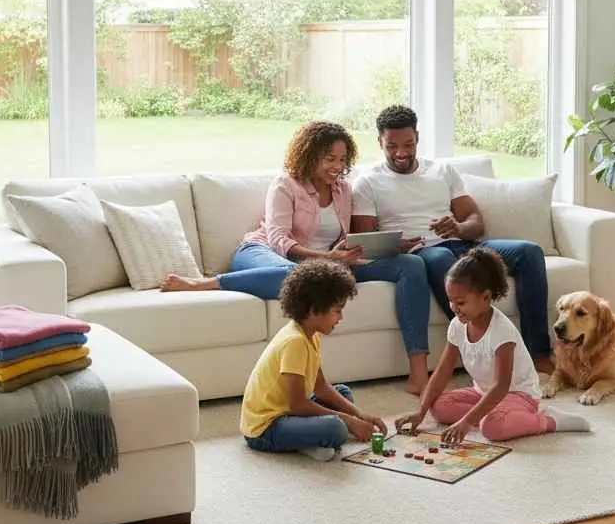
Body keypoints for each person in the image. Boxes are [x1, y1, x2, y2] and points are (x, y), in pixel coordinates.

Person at [162, 120, 432, 393]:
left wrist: (372, 248)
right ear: (310, 155)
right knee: (295, 277)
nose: (337, 166)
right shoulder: (285, 184)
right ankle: (203, 283)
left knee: (411, 264)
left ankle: (418, 372)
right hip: (264, 252)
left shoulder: (343, 189)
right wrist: (326, 259)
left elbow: (343, 236)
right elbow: (279, 240)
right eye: (330, 159)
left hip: (326, 264)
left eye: (342, 159)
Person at [351, 104, 554, 368]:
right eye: (392, 146)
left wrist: (458, 228)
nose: (401, 152)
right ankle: (482, 350)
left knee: (529, 252)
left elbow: (475, 222)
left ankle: (537, 353)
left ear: (417, 138)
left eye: (408, 144)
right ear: (380, 142)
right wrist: (398, 245)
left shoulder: (442, 172)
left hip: (463, 245)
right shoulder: (368, 182)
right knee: (440, 257)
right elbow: (366, 239)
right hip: (422, 252)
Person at [395, 248, 589, 443]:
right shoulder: (457, 326)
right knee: (439, 406)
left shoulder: (501, 331)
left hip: (517, 394)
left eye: (460, 302)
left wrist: (467, 421)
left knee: (491, 428)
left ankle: (549, 420)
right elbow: (443, 371)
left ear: (486, 297)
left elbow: (501, 386)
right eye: (450, 300)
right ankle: (493, 414)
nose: (454, 308)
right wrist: (420, 412)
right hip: (483, 392)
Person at [241, 259, 387, 461]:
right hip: (266, 427)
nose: (341, 317)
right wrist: (348, 420)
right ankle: (311, 440)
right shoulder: (295, 342)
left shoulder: (311, 335)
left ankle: (309, 440)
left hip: (289, 412)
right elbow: (298, 404)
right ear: (312, 310)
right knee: (336, 428)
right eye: (337, 310)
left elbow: (320, 386)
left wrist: (358, 415)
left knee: (343, 392)